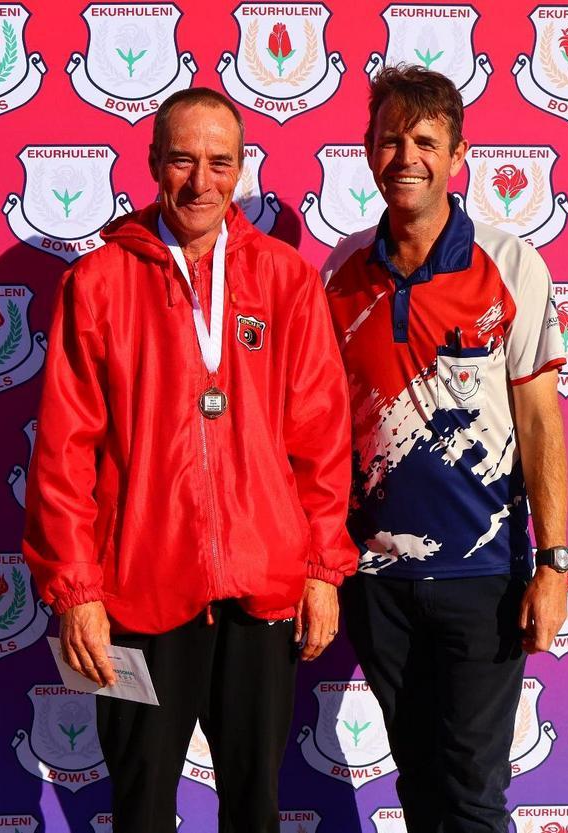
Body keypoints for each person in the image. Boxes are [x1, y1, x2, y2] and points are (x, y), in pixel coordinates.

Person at [23, 87, 358, 833]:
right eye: (182, 160)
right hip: (136, 594)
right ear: (153, 164)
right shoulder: (98, 284)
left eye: (219, 162)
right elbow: (65, 452)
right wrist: (76, 591)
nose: (201, 181)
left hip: (262, 592)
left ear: (240, 168)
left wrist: (321, 568)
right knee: (140, 808)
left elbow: (321, 439)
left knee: (255, 808)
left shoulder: (286, 279)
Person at [323, 66, 568, 833]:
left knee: (469, 793)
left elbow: (540, 421)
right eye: (391, 140)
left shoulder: (511, 264)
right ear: (368, 150)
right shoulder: (340, 272)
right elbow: (322, 429)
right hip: (376, 583)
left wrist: (555, 564)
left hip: (483, 577)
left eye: (427, 141)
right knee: (422, 782)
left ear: (459, 156)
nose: (408, 157)